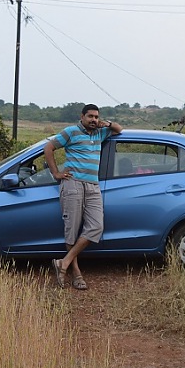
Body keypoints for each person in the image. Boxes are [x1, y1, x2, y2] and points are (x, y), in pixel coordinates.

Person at [44, 104, 122, 290]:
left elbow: (119, 129)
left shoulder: (100, 133)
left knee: (96, 226)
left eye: (96, 117)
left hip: (93, 186)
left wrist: (108, 123)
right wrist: (56, 173)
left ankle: (63, 262)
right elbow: (48, 148)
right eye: (90, 117)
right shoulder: (70, 132)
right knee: (71, 231)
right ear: (82, 117)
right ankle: (76, 274)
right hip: (73, 184)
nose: (93, 120)